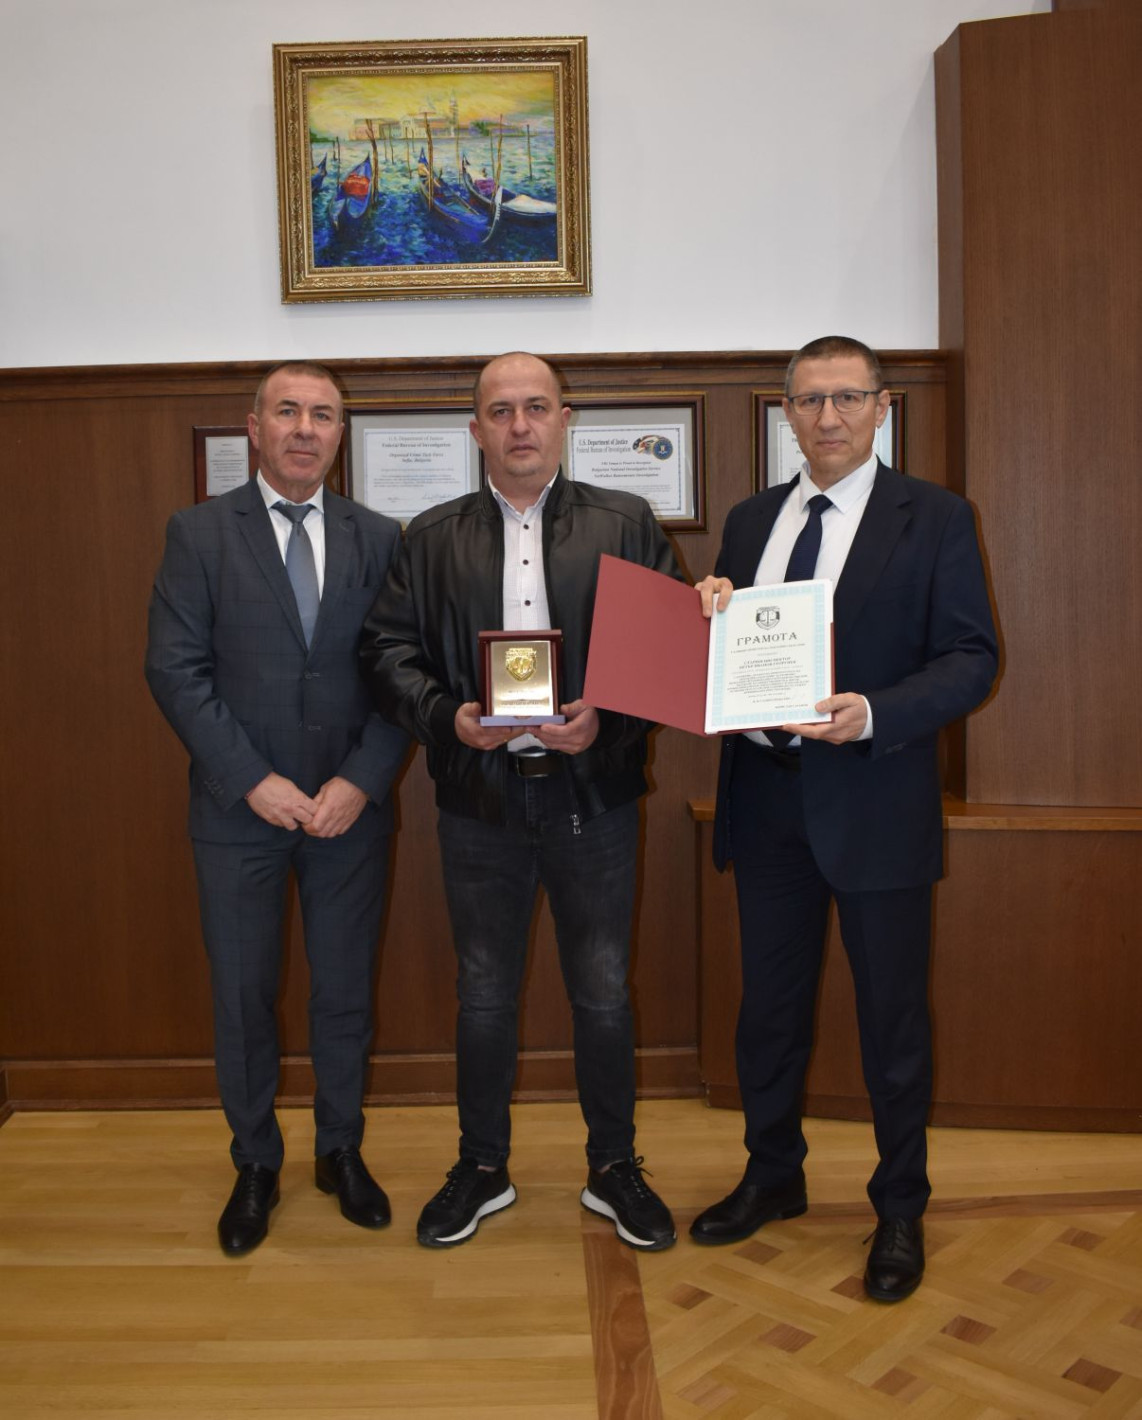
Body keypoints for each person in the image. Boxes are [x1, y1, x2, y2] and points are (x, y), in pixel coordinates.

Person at [693, 335, 997, 1301]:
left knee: (892, 1022)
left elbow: (971, 658)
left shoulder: (936, 517)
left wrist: (873, 714)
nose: (829, 416)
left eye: (848, 398)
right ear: (786, 412)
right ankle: (772, 1175)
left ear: (882, 407)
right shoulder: (750, 521)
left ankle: (899, 1207)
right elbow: (729, 657)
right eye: (810, 400)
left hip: (876, 800)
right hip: (767, 802)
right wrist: (706, 614)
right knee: (769, 1014)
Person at [359, 352, 680, 1251]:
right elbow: (386, 654)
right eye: (500, 412)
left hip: (593, 799)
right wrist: (448, 719)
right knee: (484, 994)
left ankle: (613, 1166)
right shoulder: (430, 537)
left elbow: (665, 652)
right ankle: (482, 1166)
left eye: (537, 407)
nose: (521, 426)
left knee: (604, 993)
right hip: (480, 804)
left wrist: (604, 723)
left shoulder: (625, 522)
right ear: (476, 430)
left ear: (565, 420)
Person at [145, 362, 409, 1256]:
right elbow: (174, 669)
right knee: (243, 996)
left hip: (346, 814)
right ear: (254, 428)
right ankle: (255, 1161)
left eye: (322, 415)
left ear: (341, 434)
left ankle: (341, 1150)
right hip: (238, 814)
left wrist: (361, 781)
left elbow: (402, 673)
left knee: (345, 993)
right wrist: (252, 779)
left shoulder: (381, 537)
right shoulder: (198, 533)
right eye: (287, 411)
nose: (305, 428)